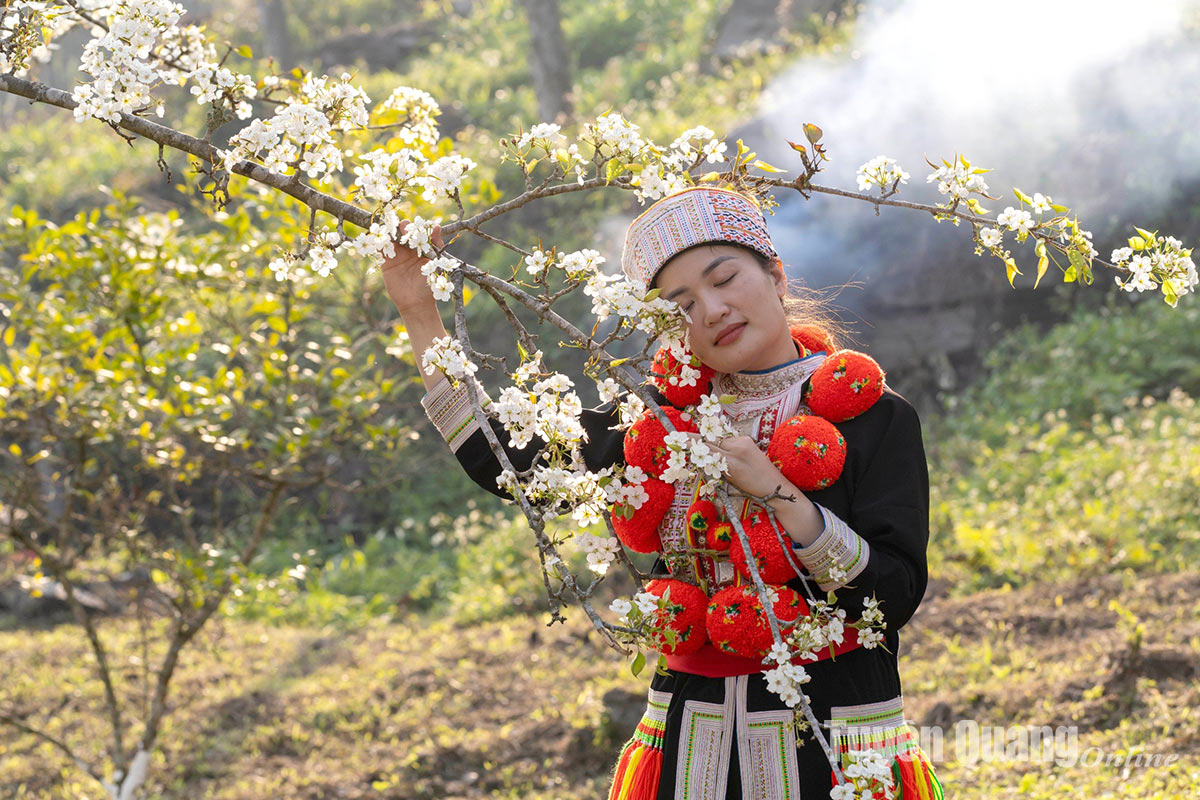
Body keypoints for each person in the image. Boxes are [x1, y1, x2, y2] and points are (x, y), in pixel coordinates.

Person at [382, 186, 941, 800]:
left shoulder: (875, 419)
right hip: (690, 748)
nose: (711, 310)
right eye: (680, 306)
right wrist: (417, 306)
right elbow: (507, 461)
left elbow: (892, 595)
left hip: (834, 745)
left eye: (724, 278)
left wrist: (779, 492)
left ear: (776, 275)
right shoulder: (660, 423)